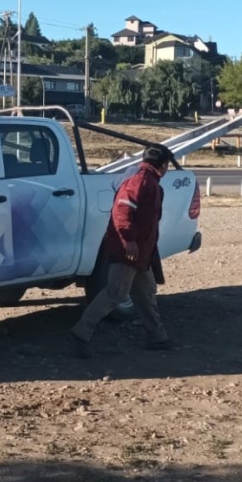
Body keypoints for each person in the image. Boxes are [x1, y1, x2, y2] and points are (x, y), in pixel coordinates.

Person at [68, 145, 174, 358]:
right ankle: (80, 333)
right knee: (115, 293)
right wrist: (128, 241)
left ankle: (157, 337)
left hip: (140, 252)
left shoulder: (144, 179)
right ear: (162, 165)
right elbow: (122, 213)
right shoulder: (141, 182)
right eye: (168, 165)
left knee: (145, 293)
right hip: (129, 251)